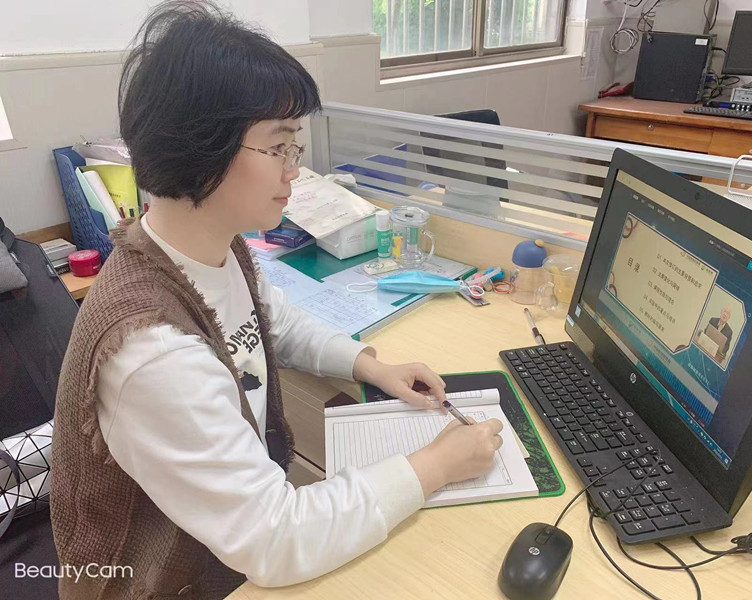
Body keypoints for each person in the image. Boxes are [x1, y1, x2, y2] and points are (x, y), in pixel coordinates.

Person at [50, 3, 503, 598]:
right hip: (167, 582)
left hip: (222, 542)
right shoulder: (152, 352)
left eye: (296, 147)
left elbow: (272, 321)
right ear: (201, 150)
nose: (295, 170)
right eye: (280, 147)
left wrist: (369, 365)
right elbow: (275, 540)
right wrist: (437, 465)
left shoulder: (212, 247)